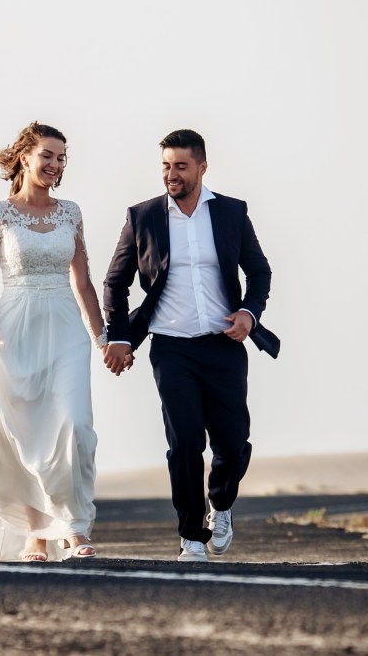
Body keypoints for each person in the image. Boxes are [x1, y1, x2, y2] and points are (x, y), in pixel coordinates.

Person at [102, 129, 278, 562]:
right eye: (165, 165)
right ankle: (191, 537)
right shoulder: (142, 216)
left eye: (180, 165)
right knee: (184, 443)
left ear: (202, 166)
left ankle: (220, 504)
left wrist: (248, 314)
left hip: (223, 345)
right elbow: (115, 282)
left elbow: (260, 272)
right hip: (171, 348)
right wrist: (120, 337)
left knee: (233, 442)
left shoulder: (232, 213)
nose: (171, 174)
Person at [0, 122, 109, 563]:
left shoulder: (71, 212)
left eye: (62, 158)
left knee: (74, 425)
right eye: (48, 156)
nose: (56, 166)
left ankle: (76, 527)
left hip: (65, 330)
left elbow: (84, 283)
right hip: (14, 329)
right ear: (25, 157)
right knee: (25, 434)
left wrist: (102, 339)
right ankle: (35, 534)